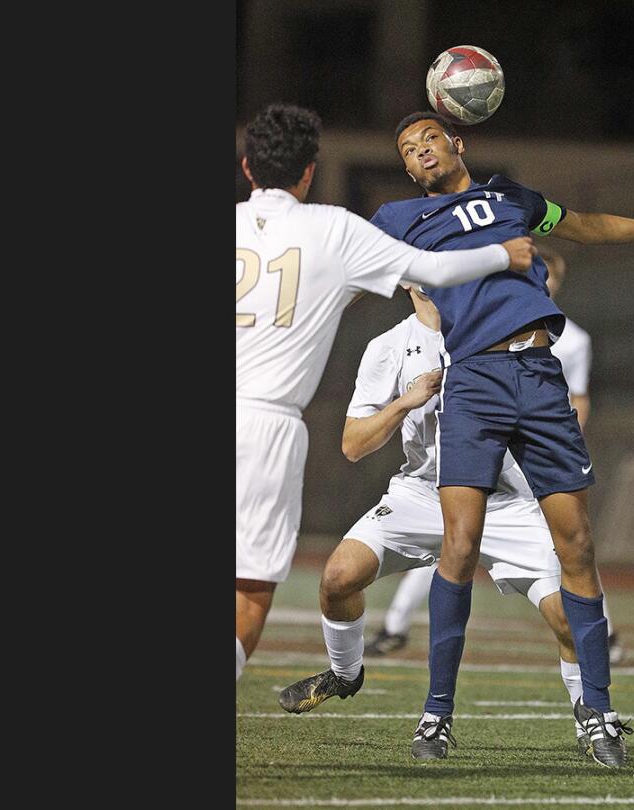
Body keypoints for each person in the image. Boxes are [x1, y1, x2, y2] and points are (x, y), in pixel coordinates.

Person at [366, 111, 634, 767]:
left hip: (539, 375)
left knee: (577, 542)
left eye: (429, 138)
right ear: (408, 169)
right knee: (461, 545)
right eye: (408, 149)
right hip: (473, 380)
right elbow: (341, 260)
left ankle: (600, 715)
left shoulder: (511, 199)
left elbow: (587, 225)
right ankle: (436, 717)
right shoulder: (398, 217)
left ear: (456, 142)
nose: (420, 152)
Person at [235, 103, 537, 684]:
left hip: (496, 496)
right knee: (249, 596)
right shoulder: (335, 230)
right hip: (269, 428)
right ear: (310, 172)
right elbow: (433, 266)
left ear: (247, 168)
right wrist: (504, 251)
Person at [276, 284, 599, 756]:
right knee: (338, 578)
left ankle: (589, 720)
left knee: (570, 621)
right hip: (422, 495)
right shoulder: (388, 346)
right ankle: (345, 673)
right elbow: (352, 444)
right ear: (407, 275)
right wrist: (405, 402)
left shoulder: (498, 329)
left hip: (504, 502)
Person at [363, 247, 628, 665]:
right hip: (484, 442)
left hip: (533, 451)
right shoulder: (486, 323)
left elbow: (578, 399)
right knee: (449, 535)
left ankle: (602, 632)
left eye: (543, 278)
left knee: (570, 543)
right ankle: (396, 624)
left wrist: (554, 446)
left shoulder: (573, 339)